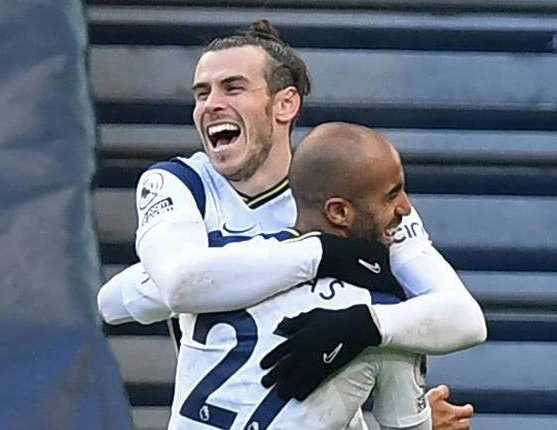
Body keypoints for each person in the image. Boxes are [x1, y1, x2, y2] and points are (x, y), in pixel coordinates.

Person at [99, 20, 486, 429]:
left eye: (232, 87)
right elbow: (168, 288)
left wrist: (365, 325)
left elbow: (464, 317)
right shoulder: (179, 184)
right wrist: (321, 253)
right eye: (201, 92)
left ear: (285, 104)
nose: (210, 104)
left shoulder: (353, 192)